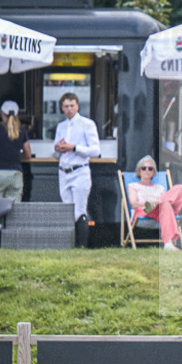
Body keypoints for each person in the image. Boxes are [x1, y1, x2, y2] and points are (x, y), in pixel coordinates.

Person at [53, 92, 100, 248]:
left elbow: (95, 151)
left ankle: (82, 246)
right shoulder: (61, 126)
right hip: (63, 170)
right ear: (62, 108)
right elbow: (56, 153)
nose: (69, 109)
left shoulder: (87, 124)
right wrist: (58, 148)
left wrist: (74, 148)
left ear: (77, 106)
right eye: (66, 106)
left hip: (80, 170)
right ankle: (69, 244)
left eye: (72, 106)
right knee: (67, 209)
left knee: (79, 209)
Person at [125, 155, 182, 251]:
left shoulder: (159, 187)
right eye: (143, 168)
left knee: (180, 188)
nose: (147, 171)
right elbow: (133, 204)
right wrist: (150, 203)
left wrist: (158, 202)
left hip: (160, 211)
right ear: (139, 171)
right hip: (144, 210)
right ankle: (168, 242)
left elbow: (165, 203)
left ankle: (168, 244)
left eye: (150, 169)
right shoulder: (133, 186)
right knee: (164, 203)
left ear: (154, 172)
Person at [0, 100, 31, 201]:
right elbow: (28, 154)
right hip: (15, 174)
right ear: (17, 114)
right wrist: (17, 154)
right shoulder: (22, 131)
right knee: (14, 211)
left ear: (2, 114)